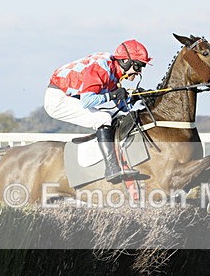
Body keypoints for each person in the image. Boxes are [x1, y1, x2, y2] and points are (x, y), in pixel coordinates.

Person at [44, 39, 151, 183]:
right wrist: (113, 95)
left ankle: (119, 160)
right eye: (138, 66)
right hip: (58, 99)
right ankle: (111, 168)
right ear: (125, 61)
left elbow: (120, 108)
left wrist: (136, 99)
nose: (139, 72)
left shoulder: (114, 73)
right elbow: (87, 100)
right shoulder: (103, 67)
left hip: (72, 97)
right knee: (103, 118)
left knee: (116, 116)